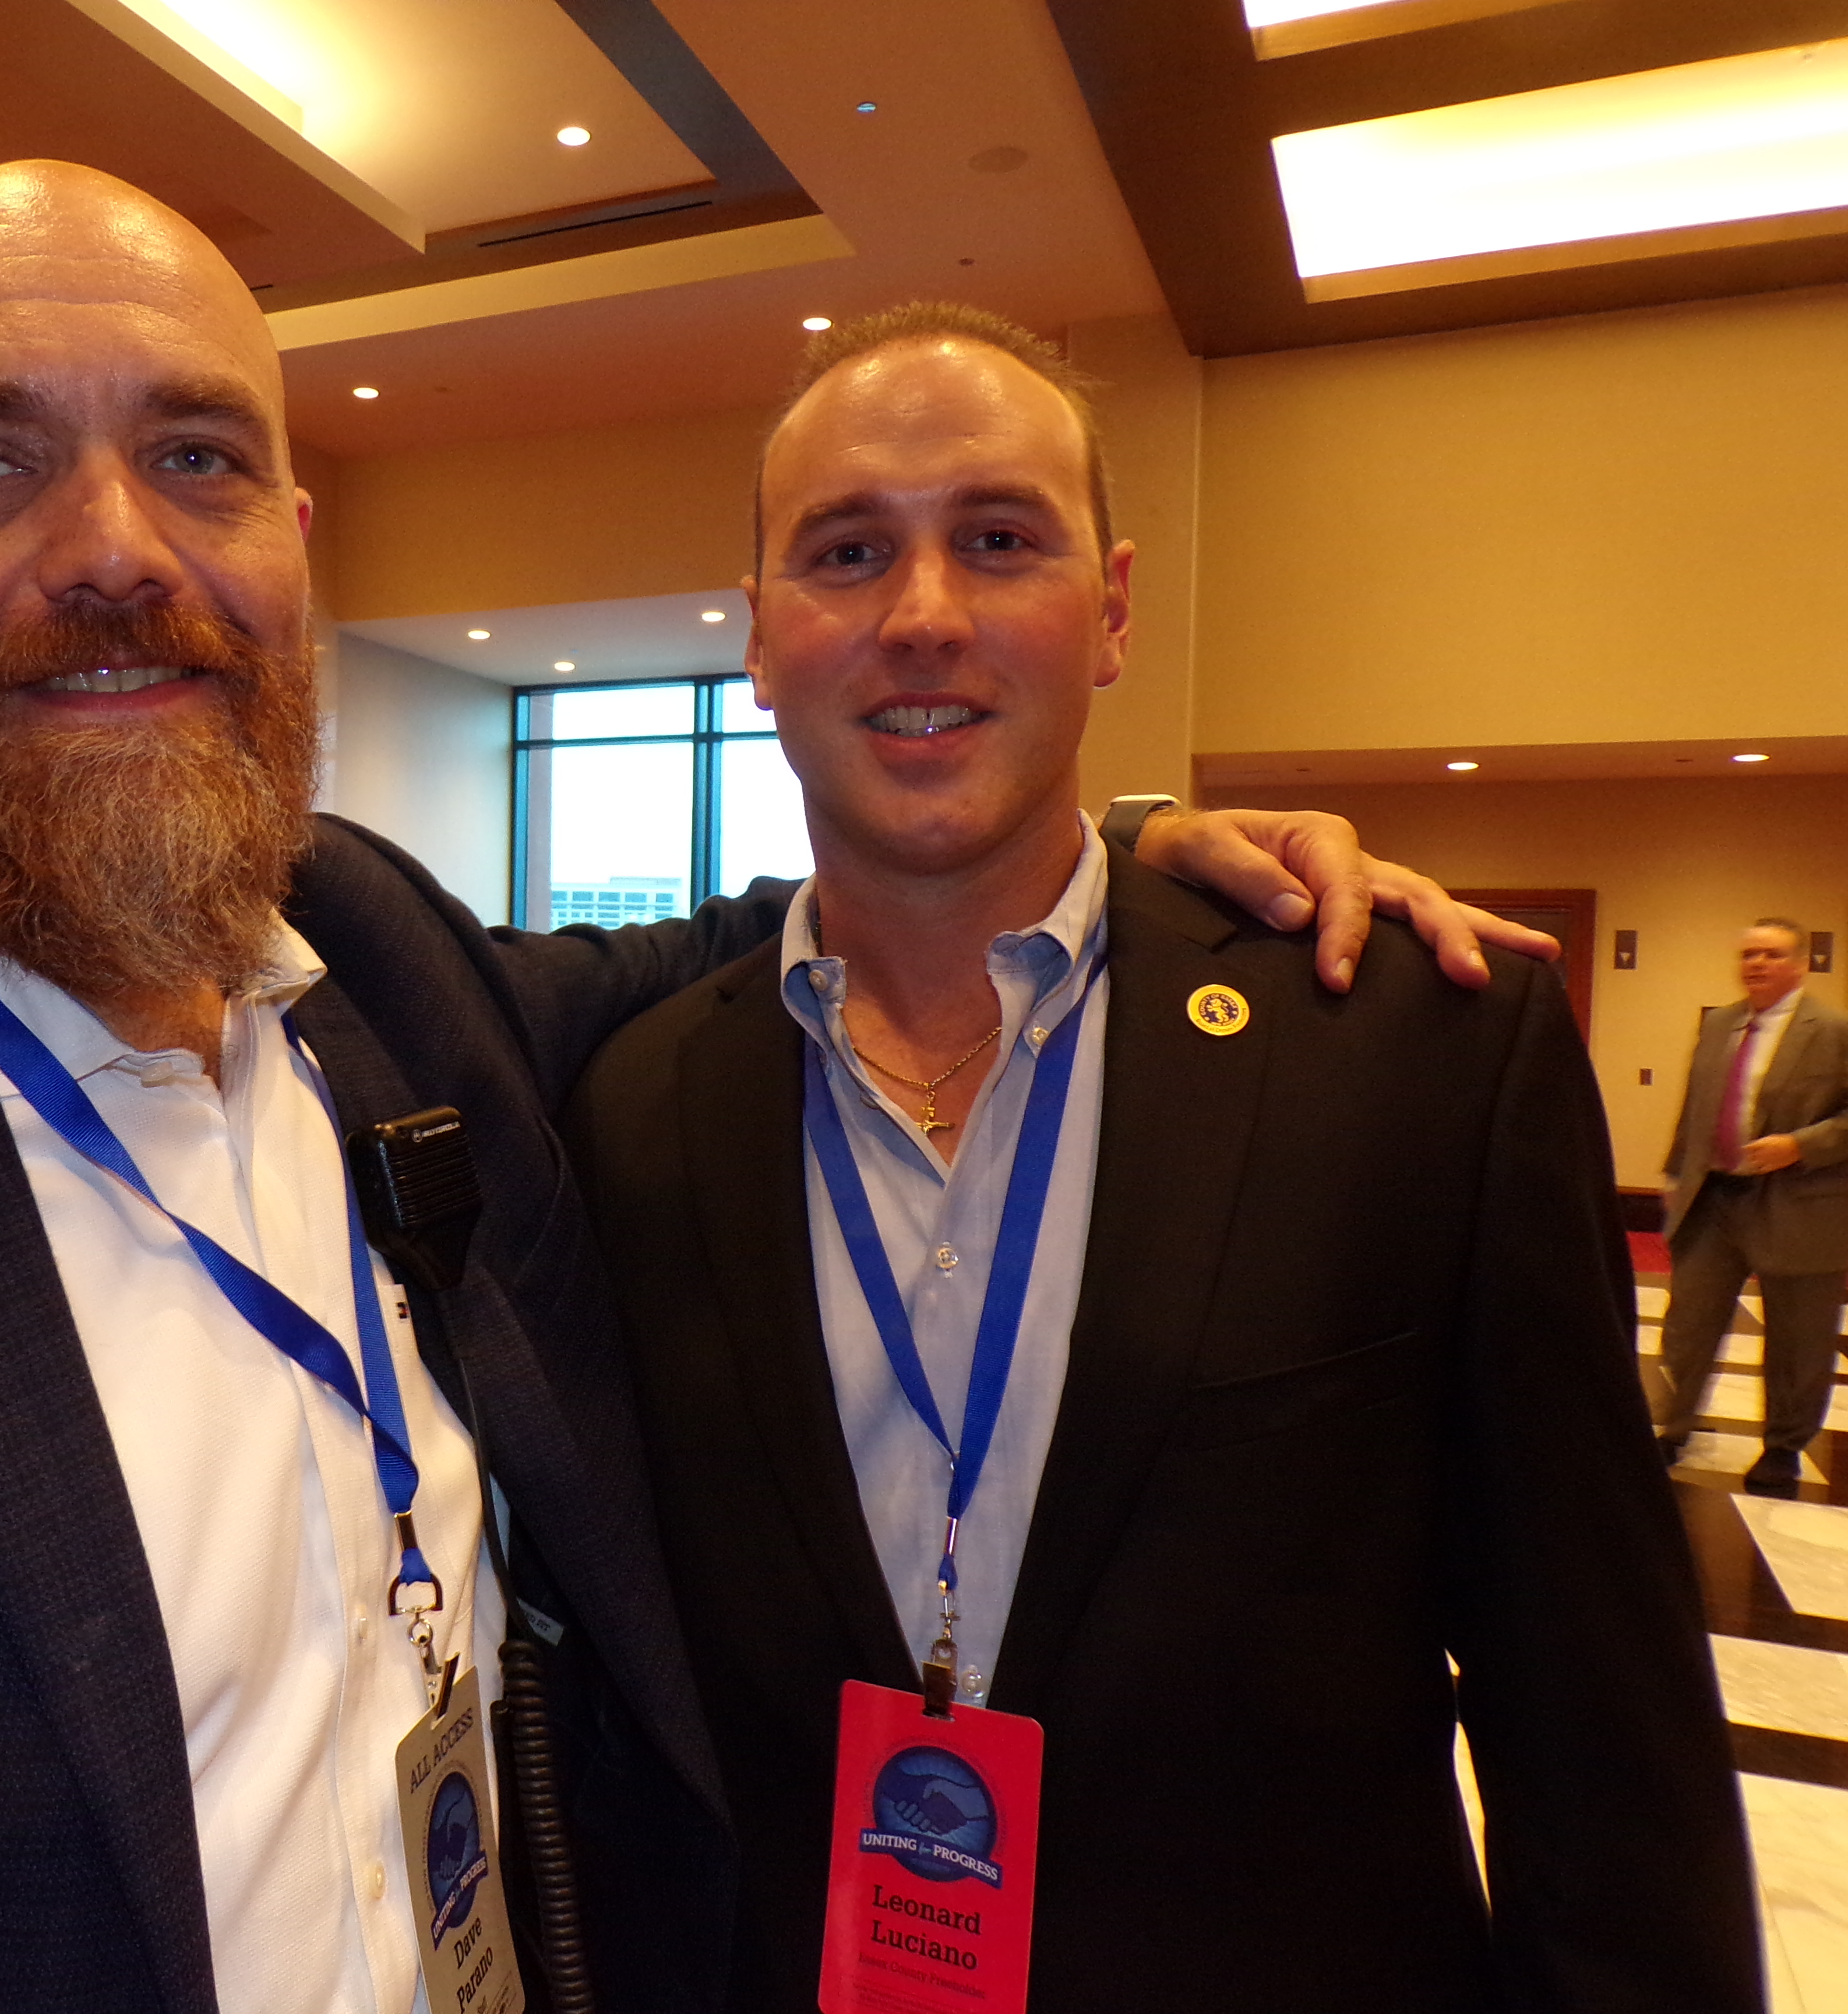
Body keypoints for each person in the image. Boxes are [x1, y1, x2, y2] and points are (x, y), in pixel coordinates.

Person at [0, 171, 1539, 2012]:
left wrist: (1129, 850)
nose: (113, 553)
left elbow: (787, 938)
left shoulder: (383, 969)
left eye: (196, 457)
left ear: (295, 545)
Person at [566, 305, 1757, 2013]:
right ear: (759, 634)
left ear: (1112, 608)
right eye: (847, 551)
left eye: (999, 539)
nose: (923, 613)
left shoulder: (1410, 1048)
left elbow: (1603, 1731)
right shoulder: (636, 1109)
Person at [1653, 918, 1848, 1499]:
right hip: (1714, 1199)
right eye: (1749, 954)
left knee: (1800, 1338)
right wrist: (1677, 1173)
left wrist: (1802, 1146)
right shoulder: (1719, 1023)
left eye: (1772, 954)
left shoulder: (1833, 1031)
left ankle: (1783, 1448)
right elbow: (1697, 1106)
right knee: (1688, 1325)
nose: (1757, 963)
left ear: (1801, 965)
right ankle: (1674, 1427)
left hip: (1800, 1204)